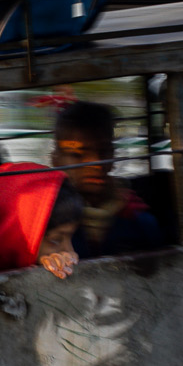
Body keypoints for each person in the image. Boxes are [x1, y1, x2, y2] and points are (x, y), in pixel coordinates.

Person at [52, 100, 160, 259]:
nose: (96, 163)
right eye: (77, 154)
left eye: (103, 152)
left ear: (112, 155)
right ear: (56, 160)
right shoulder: (47, 222)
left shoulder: (139, 220)